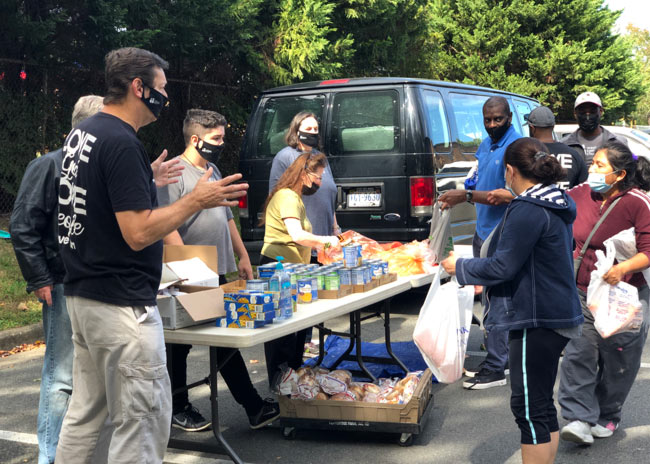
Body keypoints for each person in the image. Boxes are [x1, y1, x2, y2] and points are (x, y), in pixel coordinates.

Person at [55, 47, 247, 464]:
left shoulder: (85, 133)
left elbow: (99, 199)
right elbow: (139, 232)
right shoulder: (121, 142)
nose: (166, 98)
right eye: (160, 89)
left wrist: (147, 177)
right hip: (122, 307)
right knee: (142, 420)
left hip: (84, 296)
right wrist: (197, 199)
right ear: (137, 87)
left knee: (86, 415)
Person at [9, 94, 182, 464]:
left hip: (84, 286)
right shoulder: (55, 164)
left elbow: (101, 206)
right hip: (79, 287)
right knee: (68, 381)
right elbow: (23, 224)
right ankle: (46, 453)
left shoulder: (84, 157)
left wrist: (145, 176)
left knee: (89, 401)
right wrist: (39, 277)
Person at [441, 137, 584, 464]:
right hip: (555, 313)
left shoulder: (528, 208)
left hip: (536, 318)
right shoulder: (555, 199)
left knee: (528, 408)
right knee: (542, 404)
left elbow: (503, 266)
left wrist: (460, 266)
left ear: (509, 170)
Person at [159, 109, 279, 431]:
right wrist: (186, 269)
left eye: (223, 137)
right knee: (180, 344)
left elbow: (228, 218)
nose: (222, 143)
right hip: (187, 271)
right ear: (195, 140)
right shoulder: (174, 173)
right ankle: (178, 406)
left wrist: (241, 255)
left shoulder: (213, 169)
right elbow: (166, 222)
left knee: (223, 339)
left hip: (216, 270)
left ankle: (252, 407)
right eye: (216, 139)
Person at [558, 141, 650, 445]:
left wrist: (622, 269)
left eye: (599, 165)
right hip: (582, 291)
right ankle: (578, 418)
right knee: (579, 354)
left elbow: (648, 251)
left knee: (619, 362)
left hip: (624, 296)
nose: (592, 170)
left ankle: (607, 414)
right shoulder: (582, 192)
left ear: (620, 174)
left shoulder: (638, 203)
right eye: (593, 163)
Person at [438, 96, 520, 390]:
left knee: (497, 299)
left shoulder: (515, 147)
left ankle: (496, 367)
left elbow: (512, 195)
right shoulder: (486, 145)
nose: (492, 125)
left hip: (502, 232)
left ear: (509, 118)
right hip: (482, 230)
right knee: (488, 297)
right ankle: (501, 356)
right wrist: (467, 189)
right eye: (487, 120)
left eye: (498, 119)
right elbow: (481, 179)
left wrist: (467, 196)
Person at [261, 152, 341, 386]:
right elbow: (297, 235)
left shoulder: (294, 197)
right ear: (303, 173)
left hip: (292, 268)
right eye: (318, 177)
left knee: (295, 330)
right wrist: (325, 241)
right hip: (278, 268)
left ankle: (293, 379)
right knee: (282, 332)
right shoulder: (287, 197)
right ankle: (281, 382)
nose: (320, 182)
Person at [269, 111, 340, 253]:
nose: (313, 132)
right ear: (296, 131)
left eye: (315, 129)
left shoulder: (320, 158)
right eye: (308, 129)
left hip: (324, 242)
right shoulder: (285, 157)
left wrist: (335, 228)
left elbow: (328, 196)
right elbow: (275, 197)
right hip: (300, 244)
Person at [527, 106, 587, 189]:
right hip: (566, 201)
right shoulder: (573, 154)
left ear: (532, 128)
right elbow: (584, 188)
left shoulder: (526, 153)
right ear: (553, 126)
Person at [561, 92, 627, 165]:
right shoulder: (564, 145)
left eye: (592, 111)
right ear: (575, 114)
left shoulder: (617, 143)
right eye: (582, 111)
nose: (587, 116)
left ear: (601, 112)